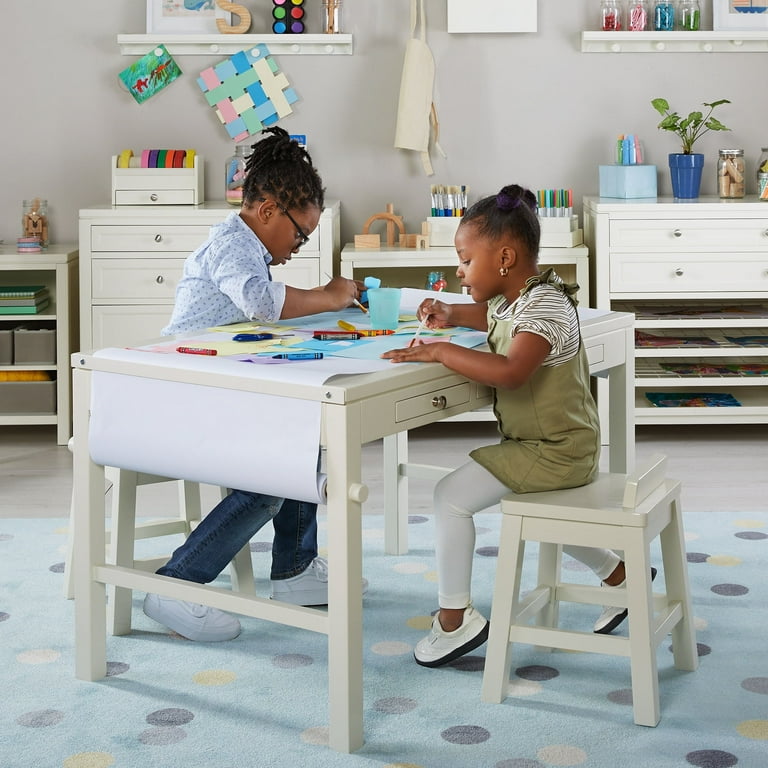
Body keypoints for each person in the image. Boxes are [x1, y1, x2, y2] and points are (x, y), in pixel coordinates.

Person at [382, 184, 647, 668]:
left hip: (557, 449)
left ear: (504, 256)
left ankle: (453, 618)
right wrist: (448, 315)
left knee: (449, 497)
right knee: (539, 510)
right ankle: (621, 575)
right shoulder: (520, 298)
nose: (459, 272)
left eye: (464, 260)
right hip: (550, 443)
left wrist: (440, 350)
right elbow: (490, 313)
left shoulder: (544, 306)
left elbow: (511, 371)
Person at [143, 126, 365, 643]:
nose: (299, 244)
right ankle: (178, 585)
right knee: (272, 477)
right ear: (267, 210)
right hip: (187, 392)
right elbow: (262, 305)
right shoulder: (231, 248)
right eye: (300, 234)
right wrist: (327, 295)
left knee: (304, 438)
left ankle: (294, 569)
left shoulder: (249, 249)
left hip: (217, 385)